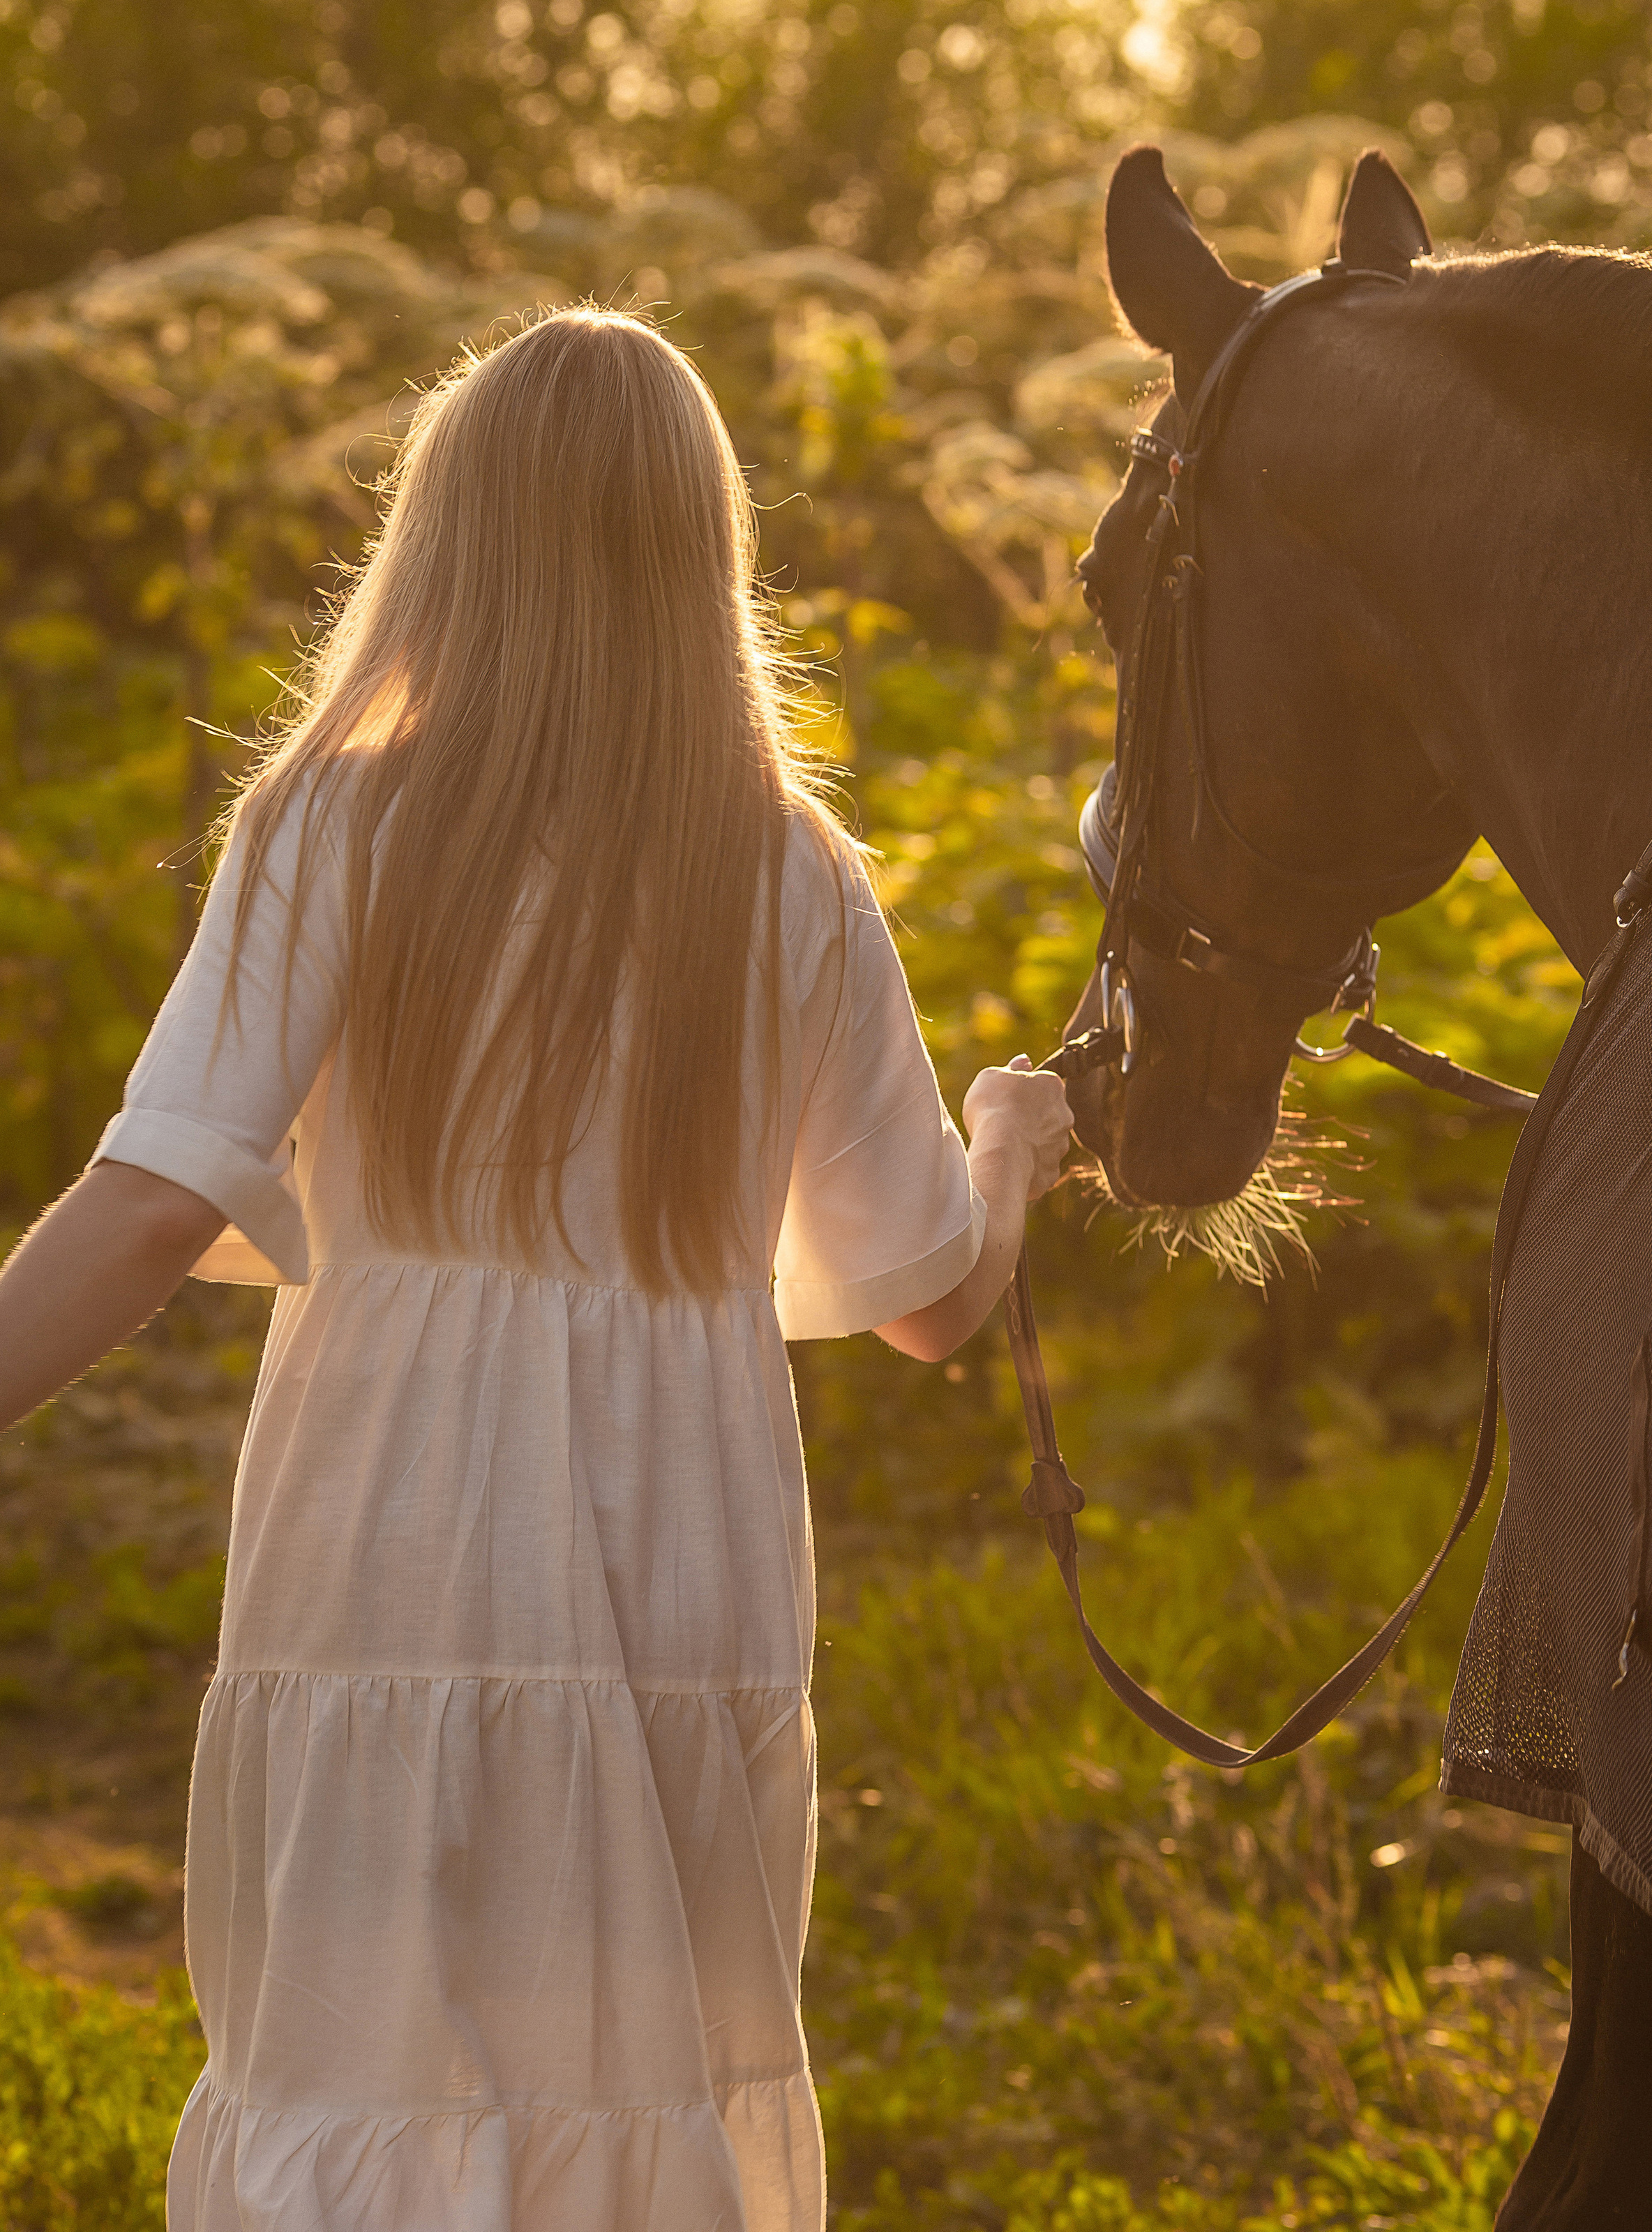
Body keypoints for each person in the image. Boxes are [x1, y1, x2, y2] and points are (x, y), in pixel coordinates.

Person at [0, 308, 1071, 2231]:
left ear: (446, 539)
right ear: (702, 559)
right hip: (685, 1543)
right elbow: (927, 1294)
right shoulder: (794, 874)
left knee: (362, 2066)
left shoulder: (333, 825)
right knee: (638, 2093)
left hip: (389, 1519)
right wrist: (1015, 1147)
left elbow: (154, 1204)